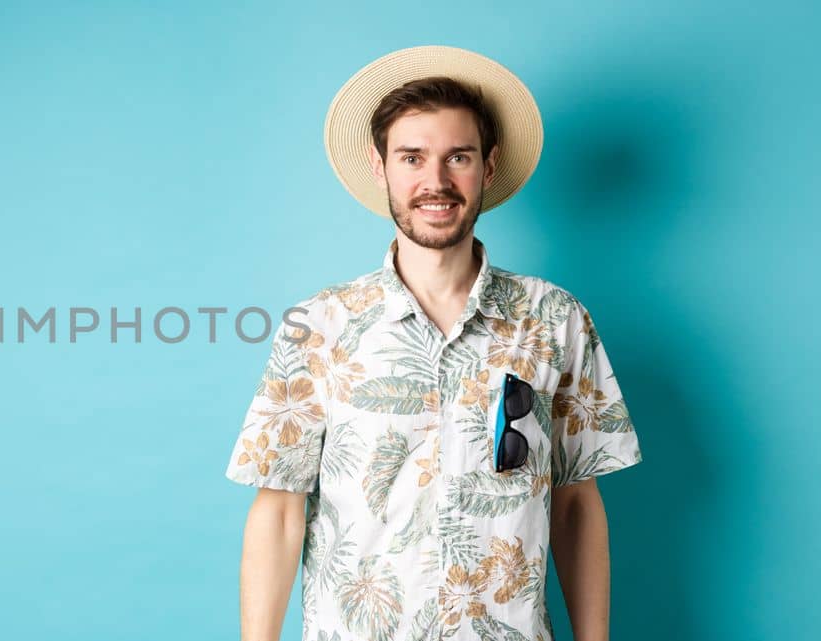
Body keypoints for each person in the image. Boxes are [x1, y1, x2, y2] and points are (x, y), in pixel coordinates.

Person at [224, 46, 642, 641]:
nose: (435, 182)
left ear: (488, 167)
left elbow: (576, 501)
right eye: (412, 157)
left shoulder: (555, 320)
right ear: (382, 168)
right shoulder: (320, 324)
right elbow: (279, 511)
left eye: (458, 157)